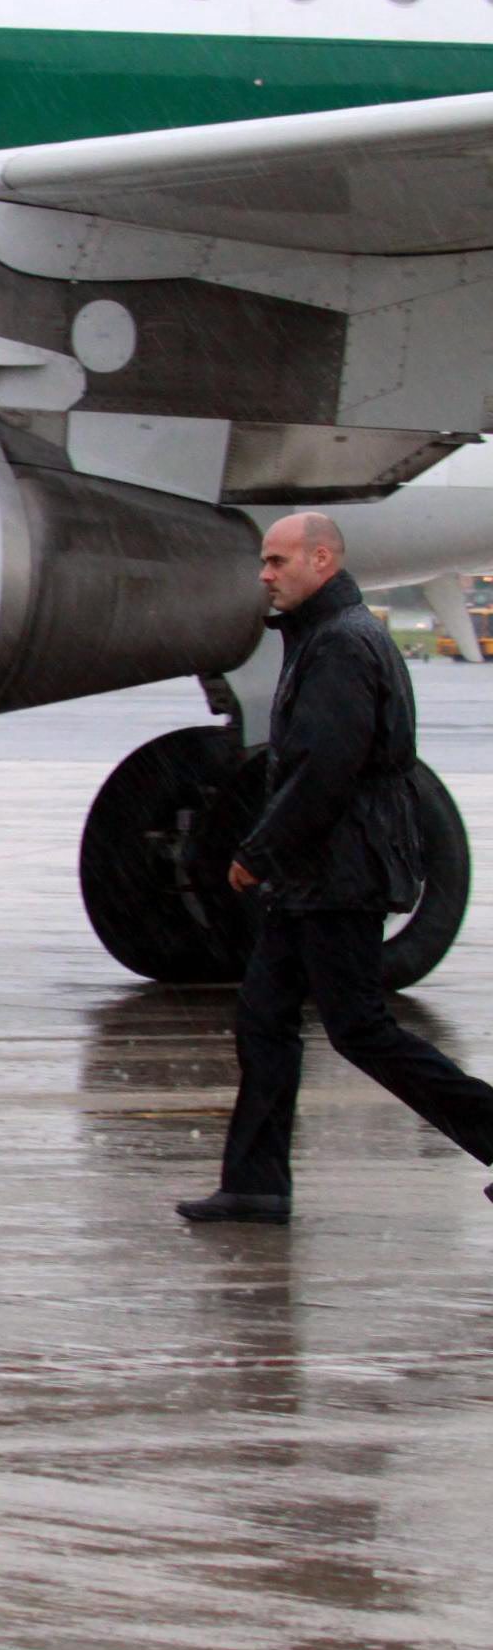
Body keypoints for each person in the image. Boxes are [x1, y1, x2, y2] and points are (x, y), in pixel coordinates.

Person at [180, 511, 493, 1225]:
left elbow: (326, 769)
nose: (265, 574)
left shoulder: (343, 645)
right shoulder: (323, 636)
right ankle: (256, 1184)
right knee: (264, 1017)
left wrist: (259, 854)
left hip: (338, 872)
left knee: (359, 1030)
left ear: (322, 561)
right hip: (315, 875)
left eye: (277, 561)